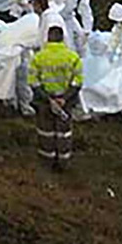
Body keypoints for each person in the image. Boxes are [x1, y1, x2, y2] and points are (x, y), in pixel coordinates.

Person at [29, 25, 83, 170]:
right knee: (64, 133)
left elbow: (33, 82)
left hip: (45, 102)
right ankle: (63, 163)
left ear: (47, 38)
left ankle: (47, 162)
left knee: (46, 131)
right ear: (63, 39)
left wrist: (48, 99)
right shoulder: (73, 57)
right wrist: (64, 98)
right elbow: (77, 82)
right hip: (65, 102)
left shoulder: (38, 57)